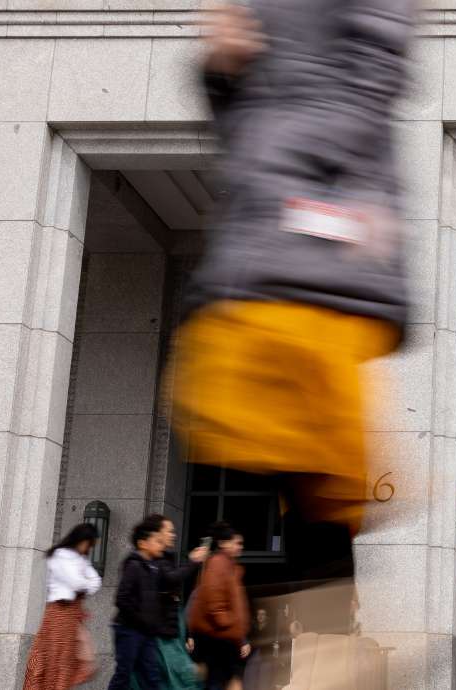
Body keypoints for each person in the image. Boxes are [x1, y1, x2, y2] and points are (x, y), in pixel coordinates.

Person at [170, 0, 417, 640]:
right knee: (261, 440)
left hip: (312, 236)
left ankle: (332, 640)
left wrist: (312, 171)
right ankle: (329, 639)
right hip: (264, 245)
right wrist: (223, 73)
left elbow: (372, 69)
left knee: (303, 460)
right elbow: (243, 117)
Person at [132, 514, 208, 690]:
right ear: (157, 535)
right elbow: (170, 580)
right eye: (169, 531)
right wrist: (193, 562)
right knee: (179, 677)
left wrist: (187, 633)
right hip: (160, 631)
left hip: (167, 630)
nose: (174, 535)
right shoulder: (152, 560)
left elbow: (174, 597)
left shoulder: (163, 559)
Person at [22, 524, 101, 690]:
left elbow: (95, 582)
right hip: (59, 612)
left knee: (67, 658)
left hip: (72, 614)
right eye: (89, 543)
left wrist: (83, 584)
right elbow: (76, 582)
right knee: (53, 656)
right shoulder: (60, 556)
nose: (88, 548)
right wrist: (84, 583)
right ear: (81, 539)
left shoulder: (81, 560)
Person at [188, 522, 250, 690]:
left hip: (224, 637)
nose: (239, 547)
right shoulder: (218, 563)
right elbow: (214, 598)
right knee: (217, 681)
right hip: (219, 637)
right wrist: (226, 622)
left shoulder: (229, 565)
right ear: (223, 543)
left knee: (222, 681)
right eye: (236, 543)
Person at [109, 520, 168, 690]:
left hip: (146, 632)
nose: (161, 545)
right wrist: (141, 620)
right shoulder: (134, 566)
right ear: (142, 544)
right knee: (124, 674)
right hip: (128, 630)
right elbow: (121, 599)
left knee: (151, 676)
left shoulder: (152, 567)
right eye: (157, 541)